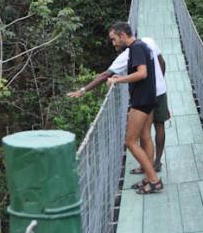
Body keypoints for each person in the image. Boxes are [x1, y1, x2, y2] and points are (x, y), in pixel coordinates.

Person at [68, 22, 163, 194]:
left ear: (122, 35)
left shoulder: (136, 49)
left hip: (141, 101)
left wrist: (117, 80)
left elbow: (142, 73)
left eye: (114, 39)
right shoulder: (143, 45)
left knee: (130, 141)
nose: (113, 43)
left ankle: (155, 180)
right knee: (145, 136)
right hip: (150, 97)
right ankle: (149, 178)